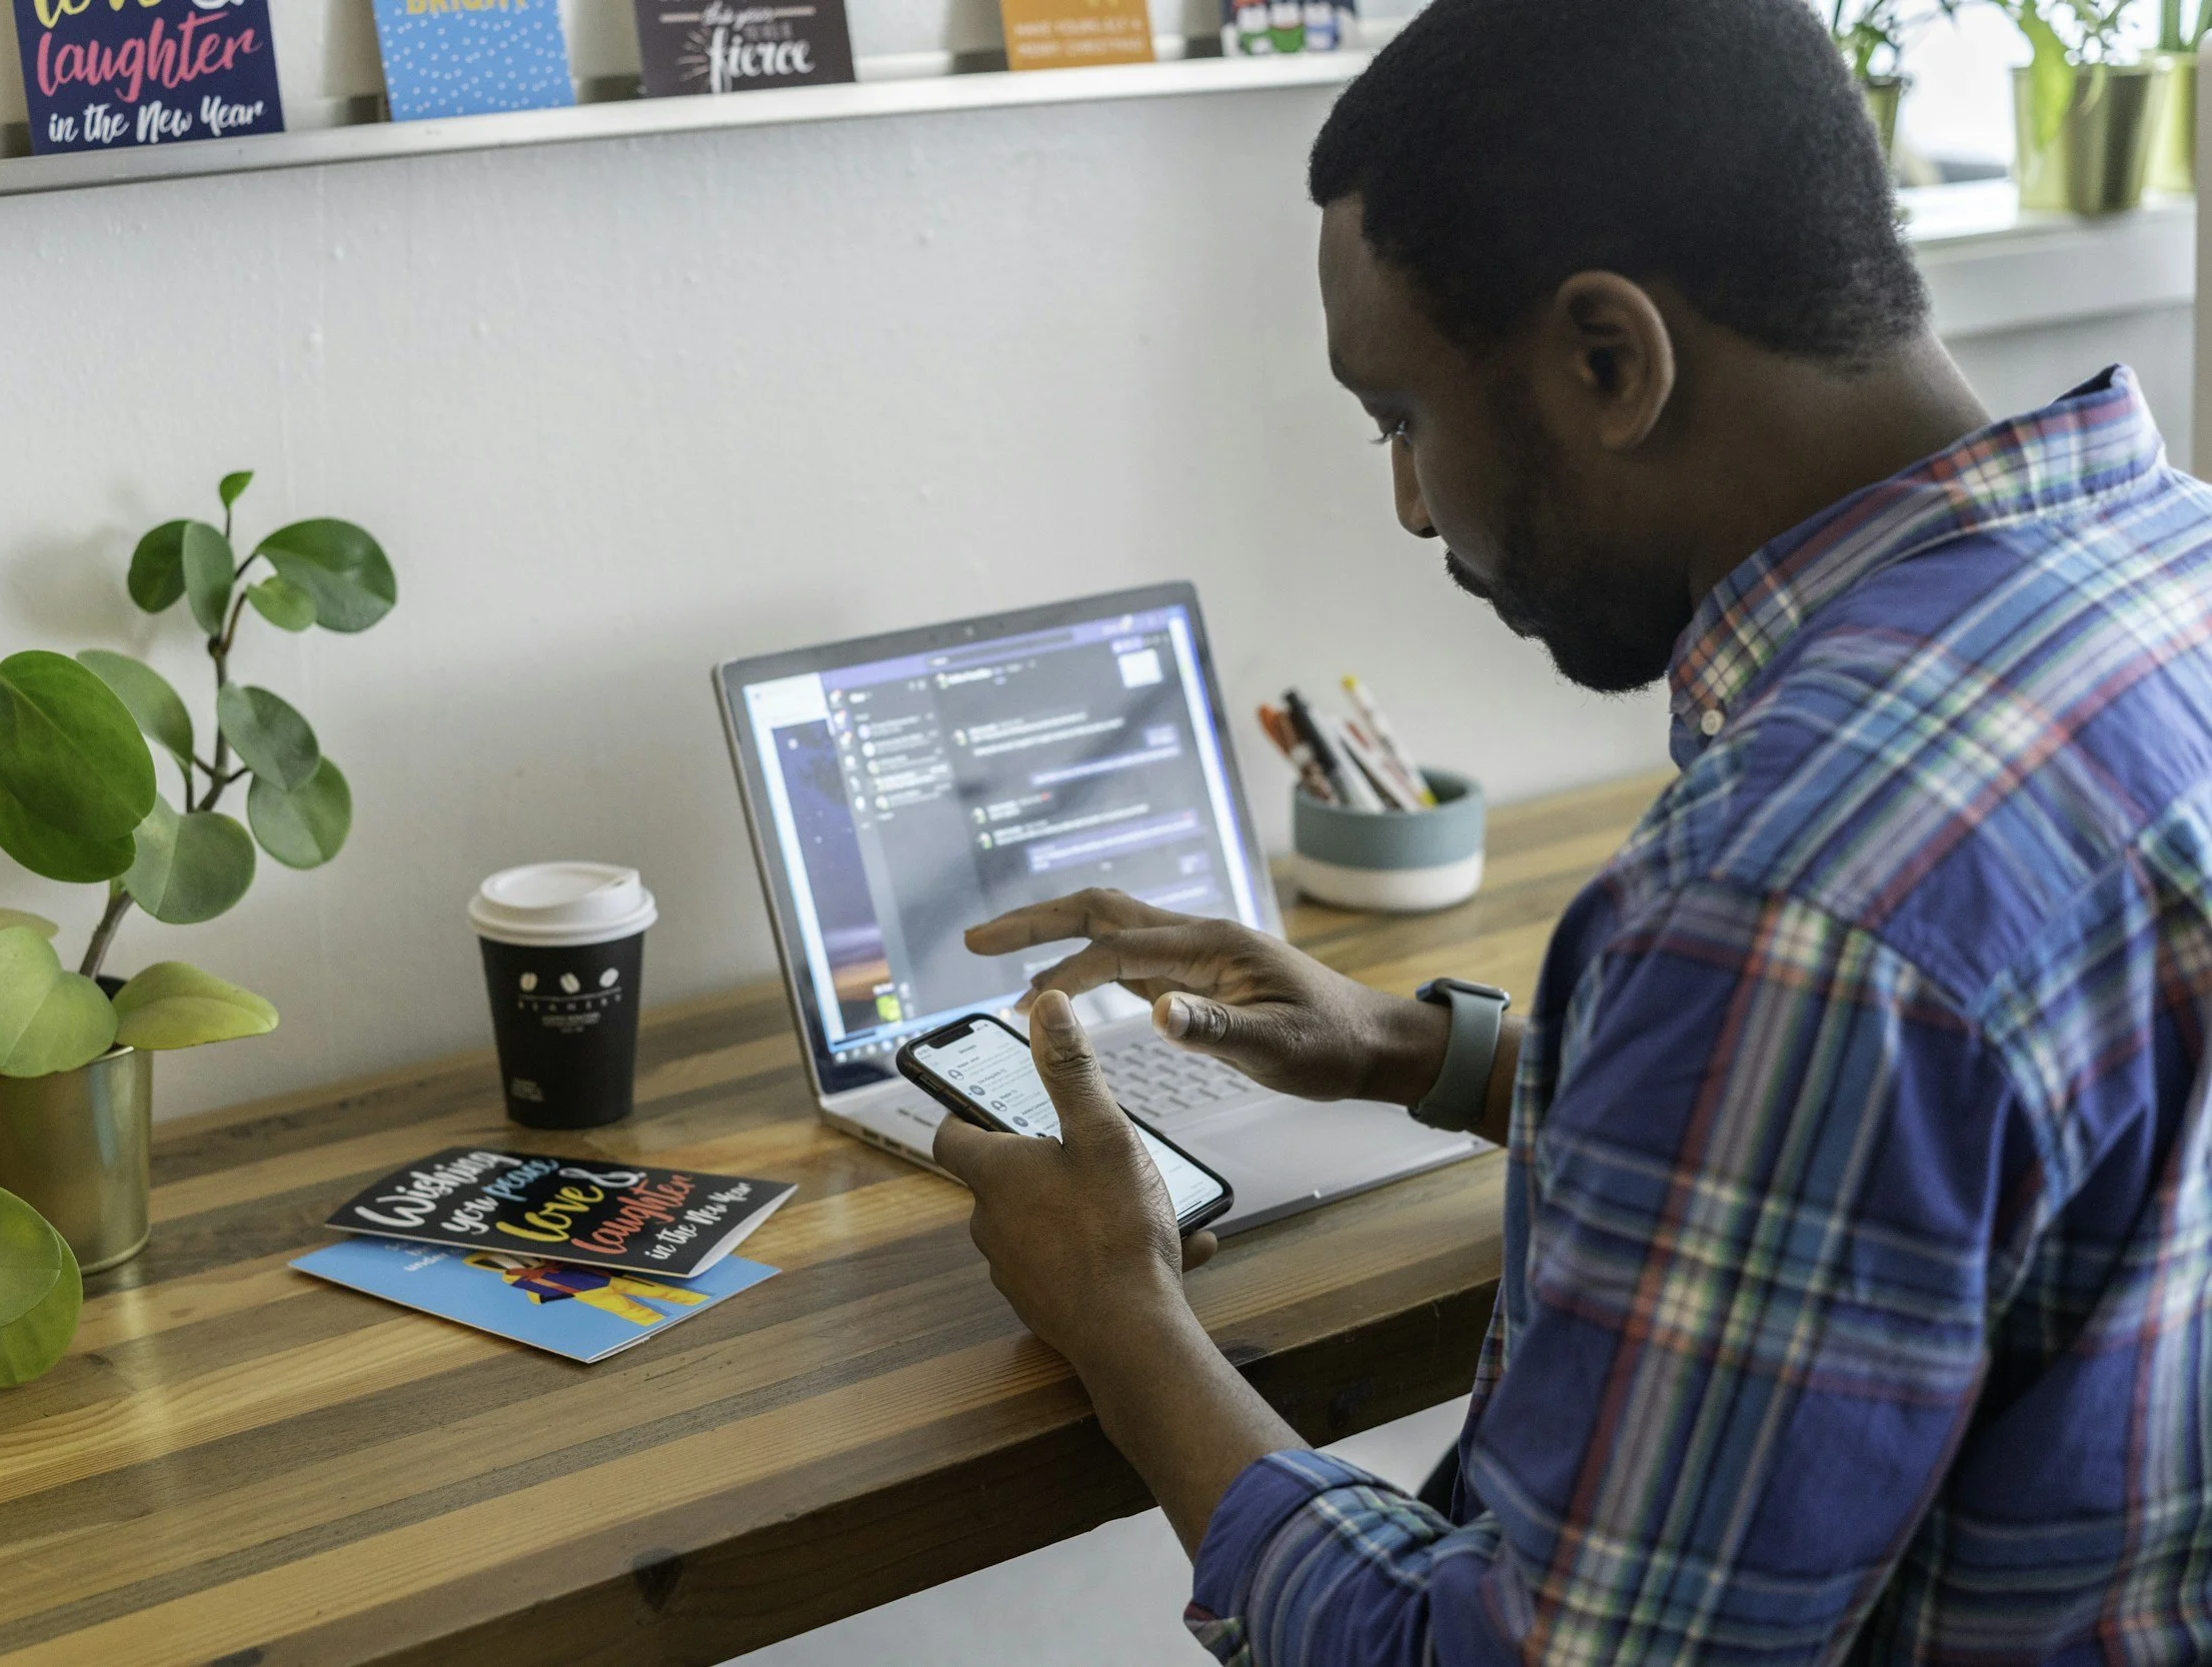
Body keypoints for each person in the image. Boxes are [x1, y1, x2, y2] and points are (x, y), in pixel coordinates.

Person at [929, 0, 2212, 1659]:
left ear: (1612, 360)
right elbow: (1958, 1160)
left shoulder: (1788, 894)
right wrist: (1426, 1051)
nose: (1406, 502)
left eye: (1401, 416)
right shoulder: (2167, 572)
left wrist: (1124, 1322)